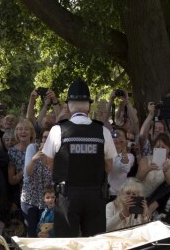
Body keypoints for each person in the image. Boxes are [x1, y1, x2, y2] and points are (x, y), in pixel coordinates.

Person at [42, 78, 117, 237]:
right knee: (95, 244)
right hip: (95, 196)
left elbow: (48, 163)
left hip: (66, 197)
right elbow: (110, 166)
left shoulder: (58, 130)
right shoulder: (102, 131)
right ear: (89, 106)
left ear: (69, 106)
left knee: (66, 244)